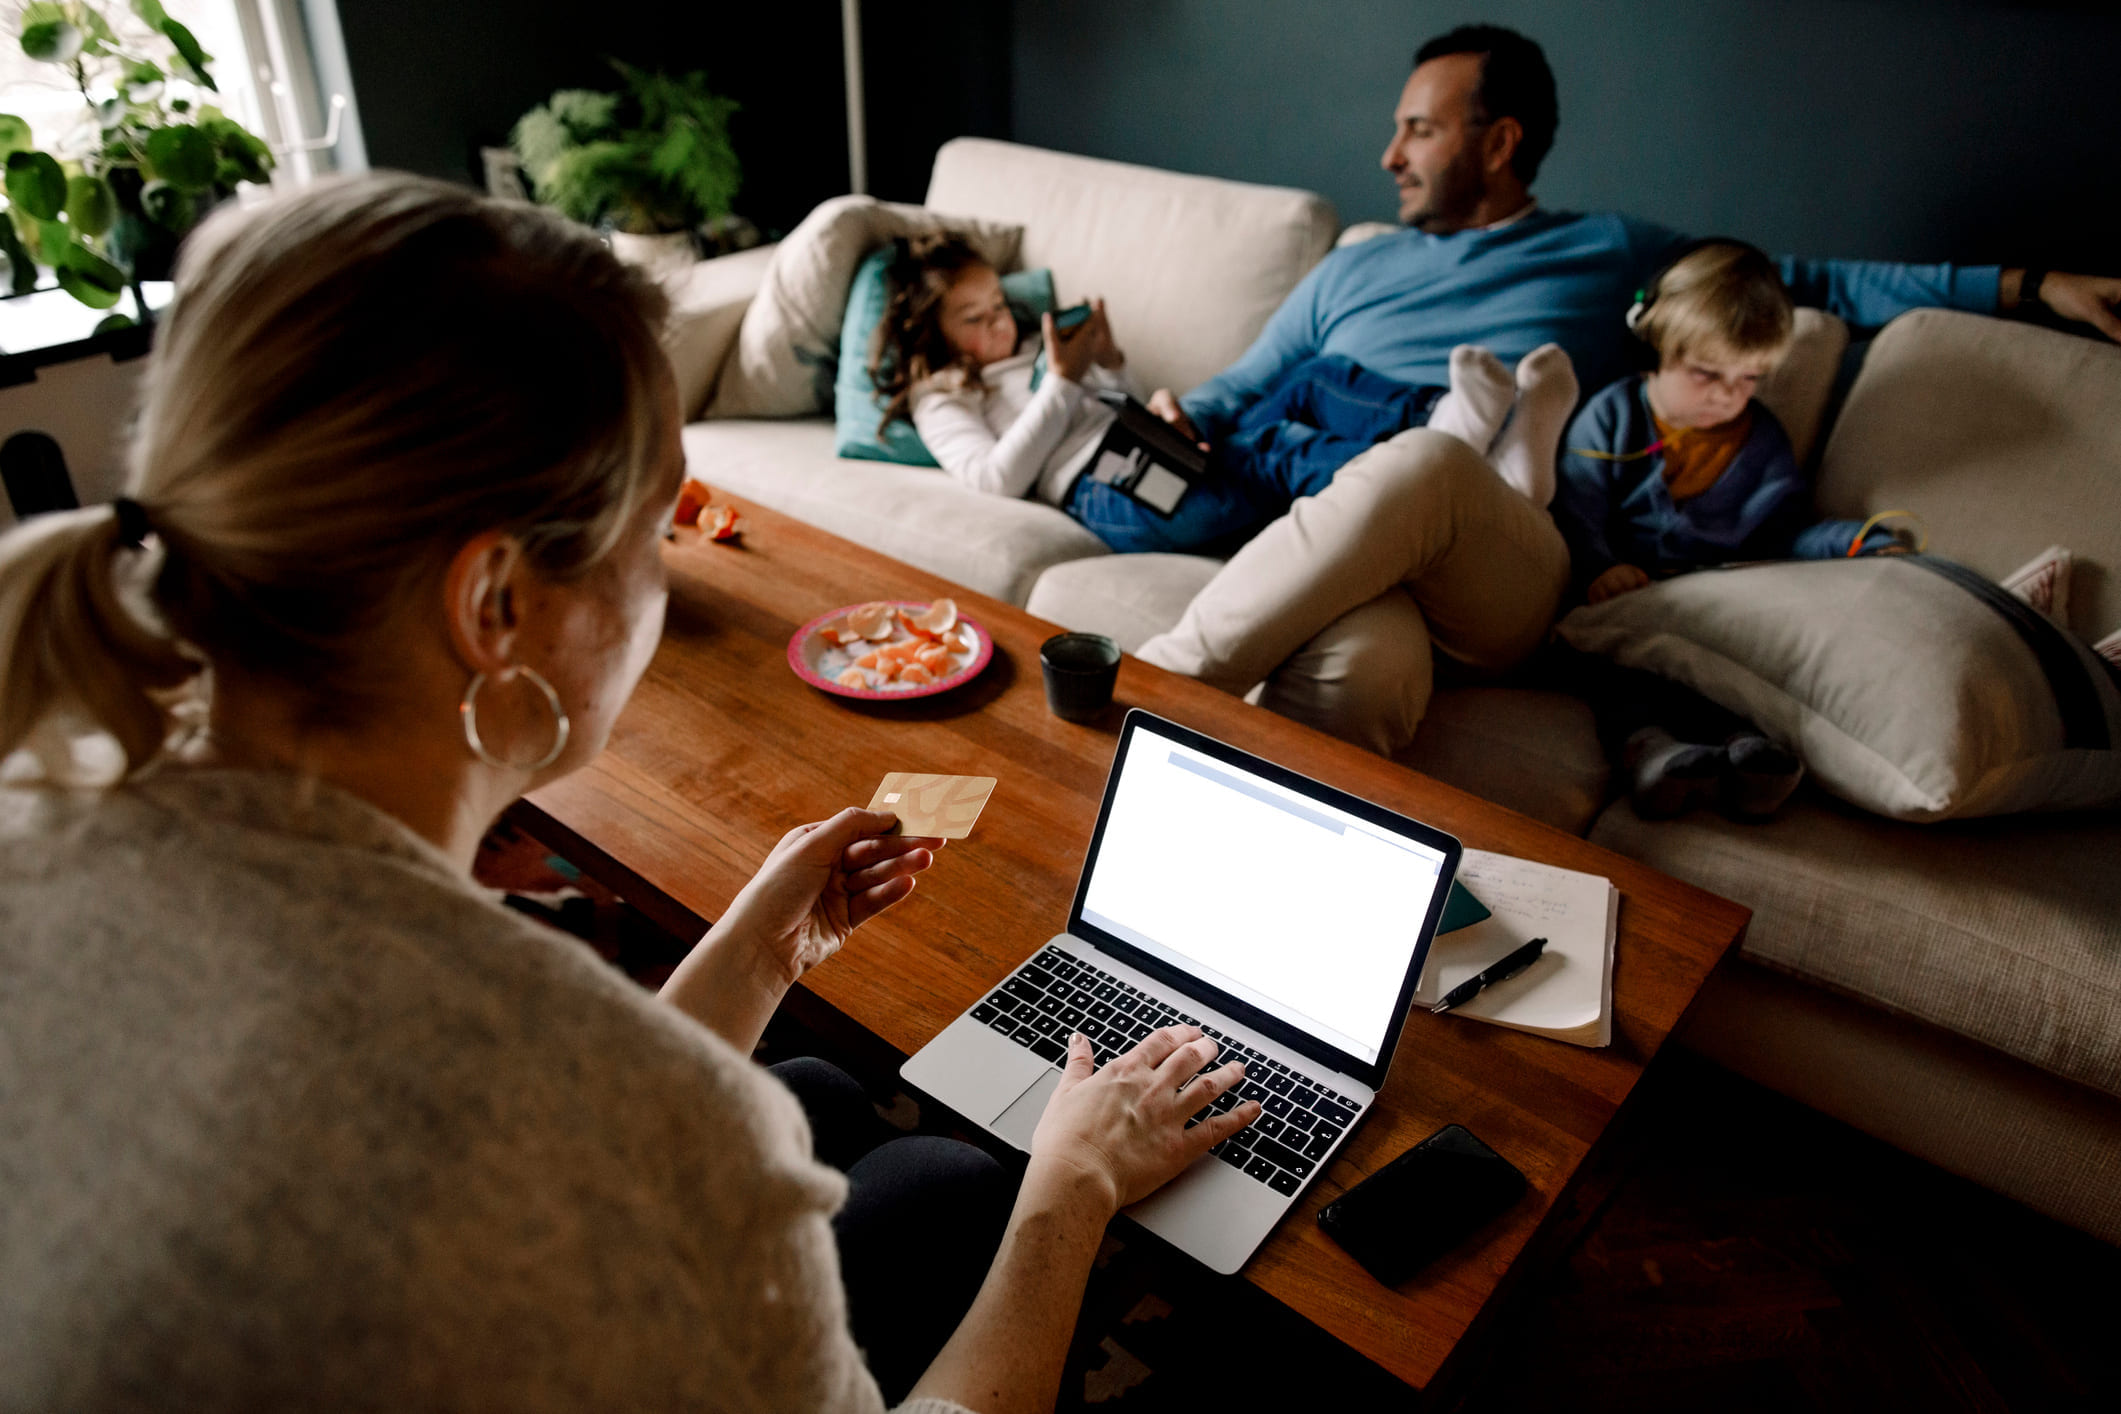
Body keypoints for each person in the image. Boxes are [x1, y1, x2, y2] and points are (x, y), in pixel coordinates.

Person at [0, 174, 1262, 1413]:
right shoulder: (615, 1124)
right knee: (970, 1191)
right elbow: (593, 1131)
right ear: (495, 605)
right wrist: (1074, 1193)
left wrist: (765, 949)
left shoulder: (45, 806)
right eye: (653, 532)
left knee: (822, 1098)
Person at [1131, 22, 2121, 759]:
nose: (1389, 156)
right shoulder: (1352, 269)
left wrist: (2028, 285)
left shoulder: (1605, 252)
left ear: (1500, 140)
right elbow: (1236, 393)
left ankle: (1143, 694)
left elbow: (1808, 281)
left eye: (1419, 131)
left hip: (1496, 556)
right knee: (1360, 680)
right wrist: (1179, 414)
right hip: (1344, 535)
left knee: (1430, 457)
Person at [872, 232, 1577, 556]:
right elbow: (997, 478)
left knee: (1312, 376)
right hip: (1104, 494)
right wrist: (1059, 380)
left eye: (999, 303)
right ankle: (1464, 470)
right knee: (1271, 450)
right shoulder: (942, 397)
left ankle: (1456, 424)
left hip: (1142, 454)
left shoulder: (1029, 344)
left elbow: (1114, 408)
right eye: (976, 318)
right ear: (929, 335)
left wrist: (1109, 365)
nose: (1001, 320)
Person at [1550, 239, 1911, 819]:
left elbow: (1784, 532)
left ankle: (1748, 757)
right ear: (1652, 348)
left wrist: (1849, 543)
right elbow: (1577, 508)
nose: (1727, 395)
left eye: (1749, 379)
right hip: (1625, 605)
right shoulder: (1612, 417)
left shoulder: (1761, 441)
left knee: (1738, 673)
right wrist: (1601, 567)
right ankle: (1652, 754)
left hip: (1714, 609)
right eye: (1707, 374)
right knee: (1626, 683)